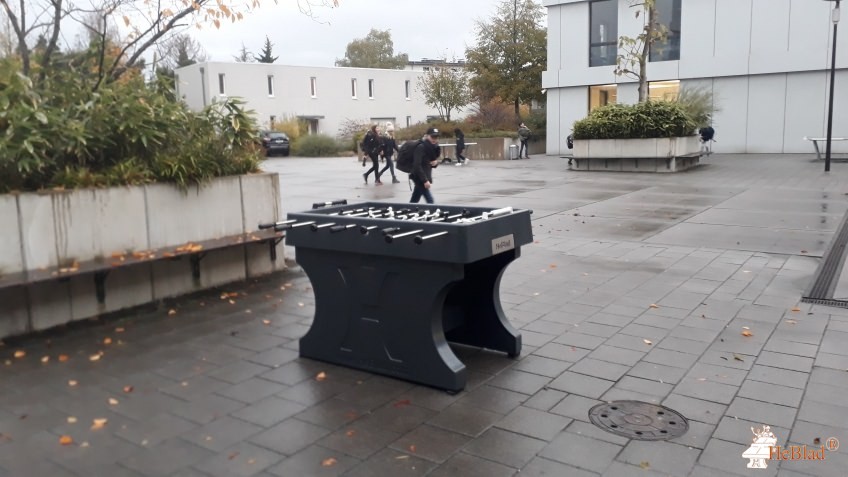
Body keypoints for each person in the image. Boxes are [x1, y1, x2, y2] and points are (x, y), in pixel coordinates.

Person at [409, 127, 441, 204]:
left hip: (424, 176)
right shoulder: (421, 147)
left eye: (436, 137)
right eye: (432, 137)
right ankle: (433, 213)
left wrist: (435, 163)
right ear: (427, 136)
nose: (434, 139)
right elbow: (417, 165)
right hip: (419, 177)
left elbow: (429, 163)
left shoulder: (432, 147)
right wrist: (425, 180)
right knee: (430, 201)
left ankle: (408, 210)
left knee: (415, 199)